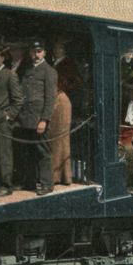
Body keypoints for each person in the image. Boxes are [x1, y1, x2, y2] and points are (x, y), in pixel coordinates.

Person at [15, 39, 58, 196]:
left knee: (43, 151)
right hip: (25, 118)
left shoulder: (49, 71)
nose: (35, 55)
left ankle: (47, 184)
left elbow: (50, 99)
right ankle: (29, 182)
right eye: (33, 51)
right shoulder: (25, 70)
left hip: (38, 118)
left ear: (44, 52)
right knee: (27, 151)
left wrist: (44, 119)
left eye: (39, 51)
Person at [0, 44, 24, 197]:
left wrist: (8, 115)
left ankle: (6, 185)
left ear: (2, 58)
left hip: (2, 121)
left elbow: (18, 100)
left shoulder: (9, 75)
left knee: (5, 154)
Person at [49, 38, 84, 186]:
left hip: (63, 102)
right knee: (52, 138)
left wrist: (63, 88)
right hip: (52, 102)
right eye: (55, 48)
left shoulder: (68, 64)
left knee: (61, 138)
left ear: (64, 50)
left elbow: (77, 82)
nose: (57, 51)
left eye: (60, 48)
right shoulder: (52, 64)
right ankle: (53, 174)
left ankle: (63, 176)